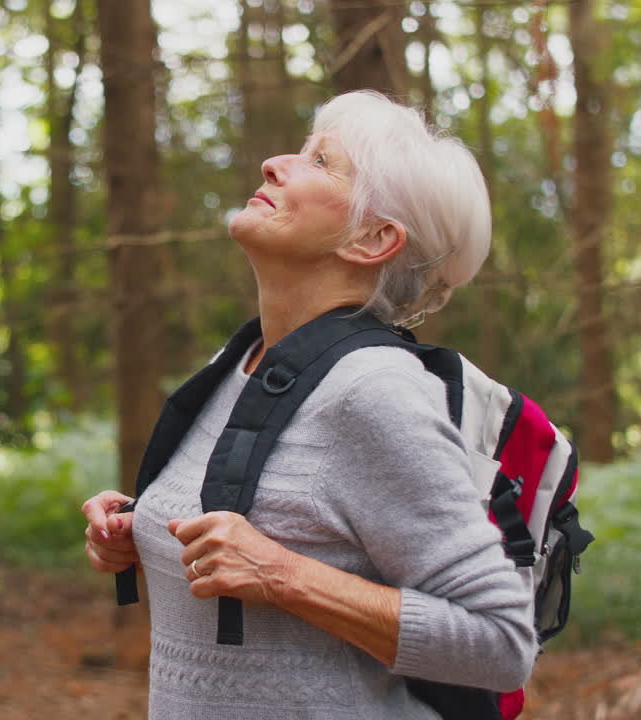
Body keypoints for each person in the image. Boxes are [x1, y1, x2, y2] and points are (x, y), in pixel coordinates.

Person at [80, 91, 537, 719]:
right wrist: (143, 526)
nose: (273, 164)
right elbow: (271, 515)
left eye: (321, 162)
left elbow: (501, 642)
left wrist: (283, 577)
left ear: (373, 239)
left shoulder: (374, 389)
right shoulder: (238, 363)